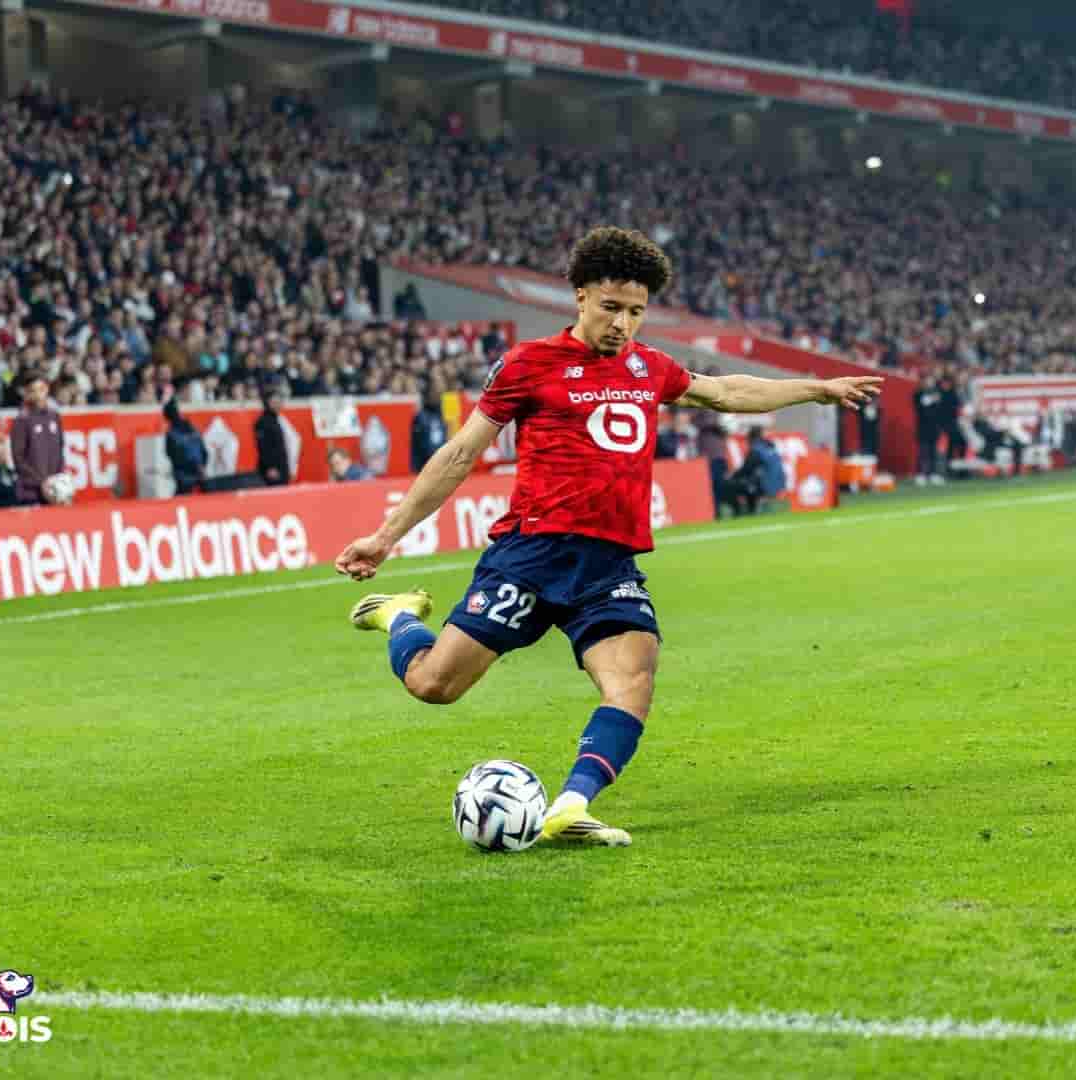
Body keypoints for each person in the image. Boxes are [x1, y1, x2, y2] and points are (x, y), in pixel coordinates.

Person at [334, 227, 880, 847]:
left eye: (636, 312)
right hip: (532, 554)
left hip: (608, 565)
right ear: (580, 297)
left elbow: (727, 391)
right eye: (611, 307)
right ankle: (399, 616)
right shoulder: (528, 365)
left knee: (633, 680)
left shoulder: (649, 367)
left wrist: (819, 388)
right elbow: (460, 454)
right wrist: (386, 537)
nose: (623, 324)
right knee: (434, 685)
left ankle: (570, 807)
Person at [10, 372, 64, 505]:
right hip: (31, 493)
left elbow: (60, 449)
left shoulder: (54, 416)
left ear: (47, 389)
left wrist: (58, 478)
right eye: (33, 390)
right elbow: (18, 459)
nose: (38, 394)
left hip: (54, 490)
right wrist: (41, 482)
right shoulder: (22, 420)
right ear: (28, 393)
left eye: (41, 389)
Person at [726, 426, 786, 515]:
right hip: (780, 483)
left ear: (751, 438)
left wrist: (732, 476)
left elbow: (746, 469)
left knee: (732, 486)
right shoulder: (770, 447)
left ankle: (744, 512)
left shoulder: (756, 450)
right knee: (751, 483)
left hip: (765, 485)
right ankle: (753, 509)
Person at [163, 399, 207, 495]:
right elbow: (204, 451)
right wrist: (201, 466)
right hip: (199, 471)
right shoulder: (193, 428)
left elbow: (169, 454)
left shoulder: (171, 434)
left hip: (184, 475)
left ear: (166, 417)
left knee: (182, 497)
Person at [255, 384, 291, 486]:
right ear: (267, 403)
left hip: (281, 466)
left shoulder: (276, 420)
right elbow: (263, 448)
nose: (277, 405)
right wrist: (270, 467)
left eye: (279, 402)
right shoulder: (262, 422)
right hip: (272, 470)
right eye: (274, 402)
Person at [914, 373, 944, 485]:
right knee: (923, 452)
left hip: (934, 428)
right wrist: (932, 399)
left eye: (931, 381)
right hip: (923, 428)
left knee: (933, 452)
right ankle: (921, 474)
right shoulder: (918, 394)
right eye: (928, 381)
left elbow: (939, 410)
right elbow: (919, 407)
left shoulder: (937, 394)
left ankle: (933, 474)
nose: (930, 383)